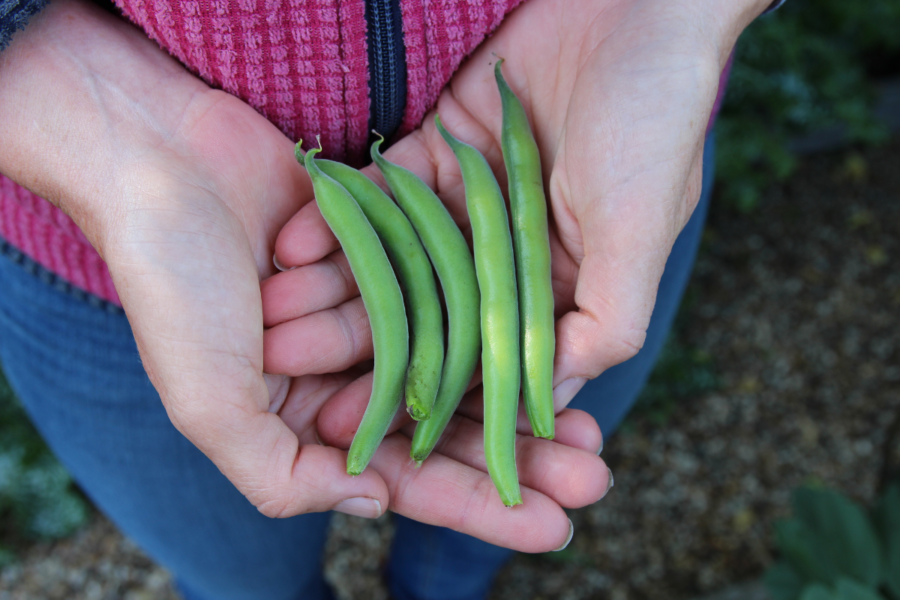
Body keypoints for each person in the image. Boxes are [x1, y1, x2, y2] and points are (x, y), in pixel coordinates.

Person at [0, 0, 780, 598]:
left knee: (487, 514)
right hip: (103, 272)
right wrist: (58, 80)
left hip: (578, 170)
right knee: (241, 578)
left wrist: (666, 13)